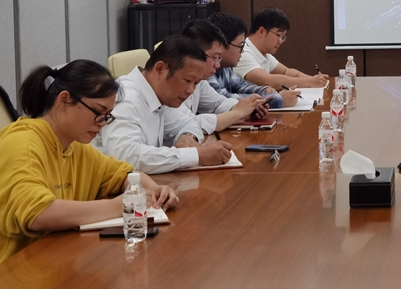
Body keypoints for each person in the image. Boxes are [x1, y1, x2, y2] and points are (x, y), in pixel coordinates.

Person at [0, 60, 179, 284]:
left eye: (107, 116)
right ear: (64, 100)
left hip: (44, 269)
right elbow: (38, 215)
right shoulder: (23, 144)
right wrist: (119, 206)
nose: (102, 124)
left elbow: (123, 175)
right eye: (98, 113)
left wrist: (155, 190)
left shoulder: (76, 147)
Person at [94, 36, 233, 174]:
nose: (191, 90)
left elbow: (190, 124)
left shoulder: (160, 94)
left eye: (196, 83)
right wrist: (196, 155)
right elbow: (127, 158)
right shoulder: (126, 98)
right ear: (160, 69)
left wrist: (187, 137)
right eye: (187, 80)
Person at [177, 19, 277, 131]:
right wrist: (238, 113)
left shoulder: (201, 82)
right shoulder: (173, 80)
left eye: (219, 58)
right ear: (194, 54)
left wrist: (245, 109)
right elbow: (187, 123)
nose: (217, 65)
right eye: (214, 57)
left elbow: (218, 104)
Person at [207, 12, 301, 107]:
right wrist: (278, 99)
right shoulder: (207, 69)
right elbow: (224, 100)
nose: (242, 51)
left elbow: (241, 87)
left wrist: (265, 90)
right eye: (240, 46)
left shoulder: (226, 67)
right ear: (221, 44)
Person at [234, 8, 328, 89]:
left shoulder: (263, 53)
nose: (280, 41)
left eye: (283, 37)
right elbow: (267, 80)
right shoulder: (243, 52)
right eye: (278, 35)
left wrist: (311, 79)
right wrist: (309, 82)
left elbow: (286, 72)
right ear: (261, 31)